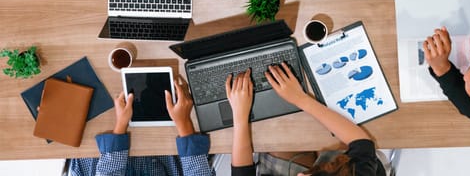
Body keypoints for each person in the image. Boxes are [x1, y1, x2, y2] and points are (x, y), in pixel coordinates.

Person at [225, 66, 386, 176]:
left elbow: (242, 171)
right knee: (328, 138)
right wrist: (300, 98)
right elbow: (362, 143)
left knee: (277, 132)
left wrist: (239, 114)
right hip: (347, 169)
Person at [70, 76, 215, 176]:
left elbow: (109, 172)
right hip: (172, 138)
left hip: (104, 142)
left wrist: (120, 124)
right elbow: (198, 172)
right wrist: (184, 123)